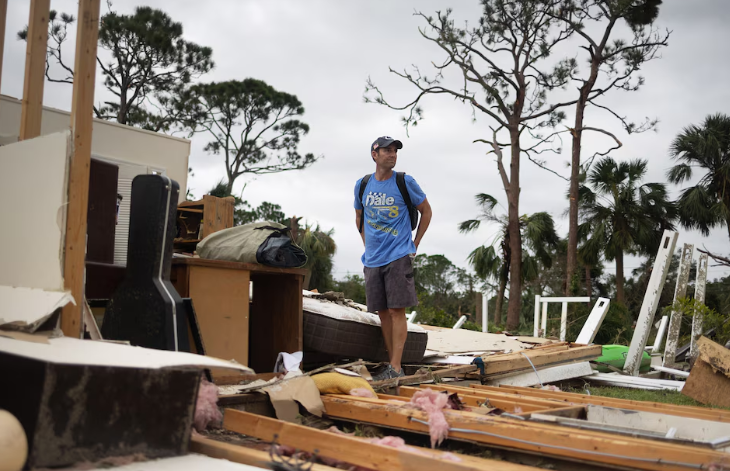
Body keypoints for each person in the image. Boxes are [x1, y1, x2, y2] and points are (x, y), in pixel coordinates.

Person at [354, 136, 432, 380]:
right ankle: (390, 364)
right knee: (382, 313)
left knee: (397, 311)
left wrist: (415, 243)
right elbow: (360, 217)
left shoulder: (404, 181)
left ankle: (395, 368)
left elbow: (426, 211)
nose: (392, 154)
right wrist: (368, 246)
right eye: (387, 150)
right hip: (372, 259)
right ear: (374, 155)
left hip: (398, 255)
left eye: (395, 150)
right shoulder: (363, 184)